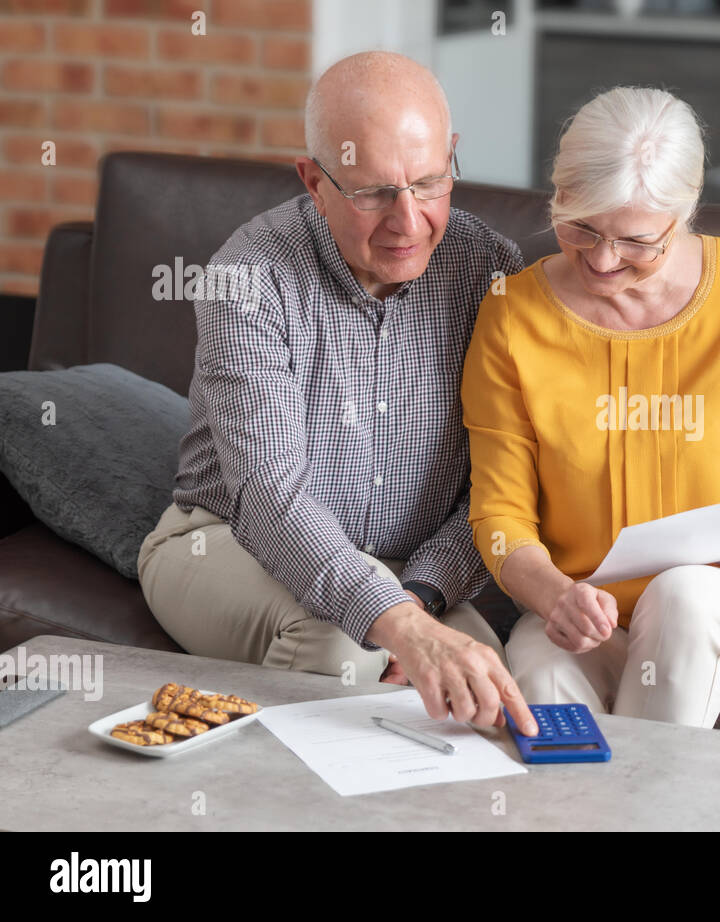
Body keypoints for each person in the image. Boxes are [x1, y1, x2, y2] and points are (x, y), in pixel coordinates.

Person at [138, 51, 537, 735]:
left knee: (484, 680)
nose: (408, 222)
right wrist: (397, 623)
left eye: (428, 182)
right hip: (225, 541)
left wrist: (417, 598)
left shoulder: (492, 271)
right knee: (338, 644)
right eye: (373, 192)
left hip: (410, 569)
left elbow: (497, 486)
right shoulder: (249, 275)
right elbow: (269, 496)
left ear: (452, 159)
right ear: (313, 180)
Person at [461, 86, 720, 728]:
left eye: (637, 241)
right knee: (543, 681)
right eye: (580, 228)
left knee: (684, 597)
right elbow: (500, 512)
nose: (603, 261)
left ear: (685, 213)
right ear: (557, 194)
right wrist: (555, 597)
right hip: (588, 617)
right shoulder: (511, 313)